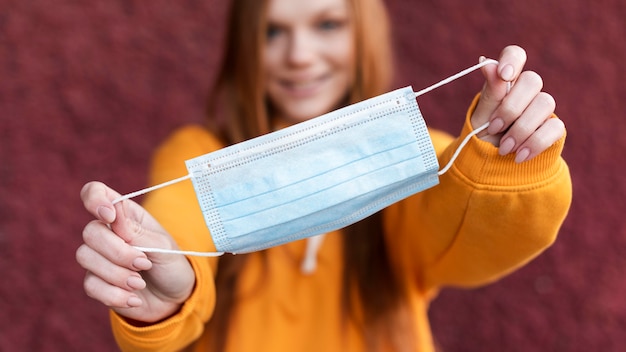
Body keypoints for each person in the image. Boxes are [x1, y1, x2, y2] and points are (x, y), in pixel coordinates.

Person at [75, 0, 572, 351]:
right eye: (273, 31)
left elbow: (472, 241)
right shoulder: (199, 152)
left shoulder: (423, 160)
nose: (299, 55)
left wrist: (496, 160)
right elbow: (180, 227)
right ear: (242, 46)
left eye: (328, 24)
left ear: (365, 33)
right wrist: (166, 293)